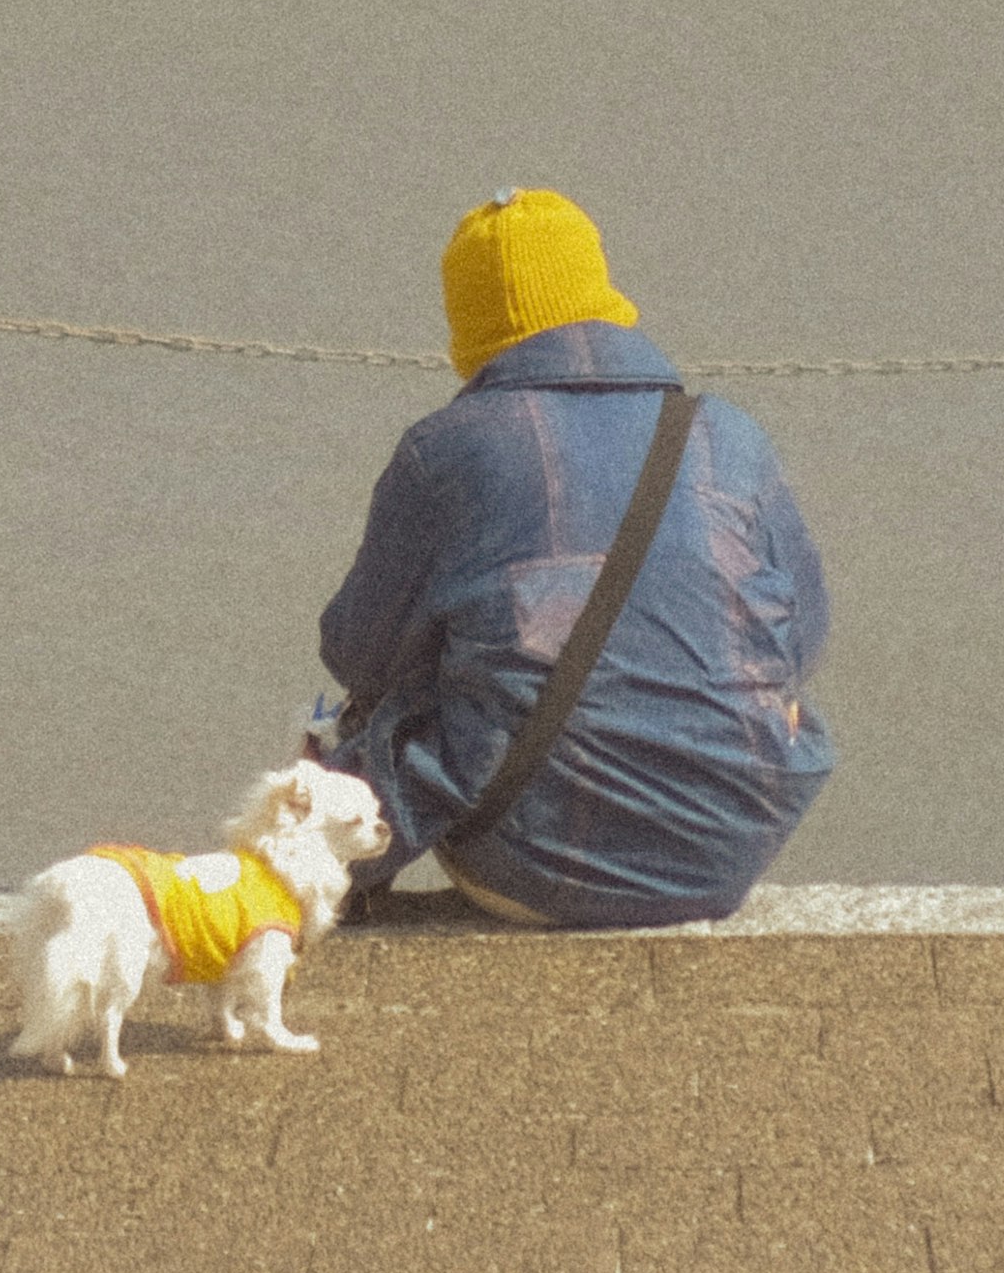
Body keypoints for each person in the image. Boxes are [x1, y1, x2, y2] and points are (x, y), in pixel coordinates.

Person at [315, 188, 832, 929]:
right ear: (602, 295)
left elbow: (359, 655)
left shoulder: (448, 449)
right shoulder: (727, 434)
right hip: (728, 852)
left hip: (531, 866)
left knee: (392, 697)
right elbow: (804, 638)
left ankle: (328, 894)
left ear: (471, 327)